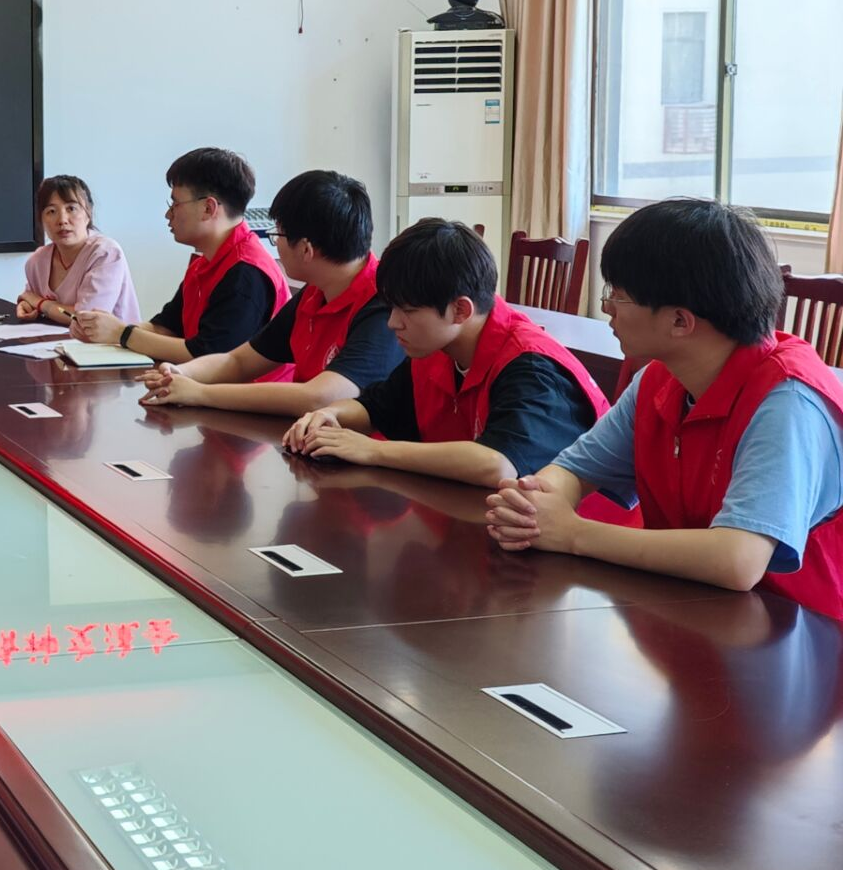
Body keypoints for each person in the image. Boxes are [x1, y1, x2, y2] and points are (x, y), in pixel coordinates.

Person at [486, 199, 843, 619]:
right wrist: (530, 508)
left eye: (618, 296)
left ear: (680, 322)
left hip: (802, 630)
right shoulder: (660, 379)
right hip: (691, 614)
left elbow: (737, 560)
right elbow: (574, 469)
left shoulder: (787, 401)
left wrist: (572, 534)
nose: (606, 308)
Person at [280, 218, 608, 488]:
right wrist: (330, 416)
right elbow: (376, 407)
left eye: (407, 311)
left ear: (460, 310)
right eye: (391, 308)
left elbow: (497, 464)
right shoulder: (438, 347)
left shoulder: (531, 367)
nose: (393, 323)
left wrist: (374, 451)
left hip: (571, 537)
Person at [138, 169, 402, 416]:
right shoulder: (315, 292)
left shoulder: (384, 305)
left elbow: (320, 397)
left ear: (306, 249)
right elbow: (239, 361)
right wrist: (182, 373)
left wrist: (200, 393)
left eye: (278, 235)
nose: (274, 245)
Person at [70, 148, 286, 367]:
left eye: (175, 204)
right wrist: (102, 329)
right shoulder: (204, 262)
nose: (168, 214)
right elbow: (165, 327)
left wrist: (121, 334)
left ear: (208, 208)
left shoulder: (246, 273)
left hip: (241, 389)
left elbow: (208, 356)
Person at [15, 175, 139, 327]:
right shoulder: (37, 260)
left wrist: (41, 304)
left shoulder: (105, 253)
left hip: (110, 341)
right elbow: (29, 298)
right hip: (54, 340)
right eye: (51, 211)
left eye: (71, 209)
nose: (62, 220)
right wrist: (26, 305)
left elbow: (86, 318)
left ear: (88, 213)